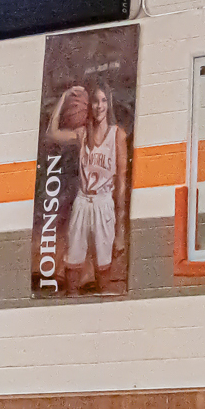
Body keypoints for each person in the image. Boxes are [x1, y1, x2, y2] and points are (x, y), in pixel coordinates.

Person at [47, 85, 129, 292]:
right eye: (95, 101)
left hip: (104, 203)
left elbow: (121, 184)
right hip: (83, 201)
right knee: (72, 265)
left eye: (103, 101)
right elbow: (52, 134)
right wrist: (64, 97)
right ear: (89, 105)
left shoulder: (117, 135)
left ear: (109, 104)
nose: (99, 106)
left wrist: (120, 232)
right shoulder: (83, 134)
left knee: (103, 268)